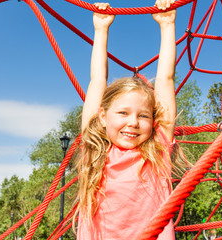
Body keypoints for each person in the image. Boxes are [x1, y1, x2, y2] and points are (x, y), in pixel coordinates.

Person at [76, 0, 178, 239]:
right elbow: (97, 80)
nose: (133, 122)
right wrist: (101, 30)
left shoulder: (156, 152)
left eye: (143, 115)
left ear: (153, 121)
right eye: (123, 113)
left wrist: (167, 25)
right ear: (102, 116)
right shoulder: (95, 151)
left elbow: (165, 80)